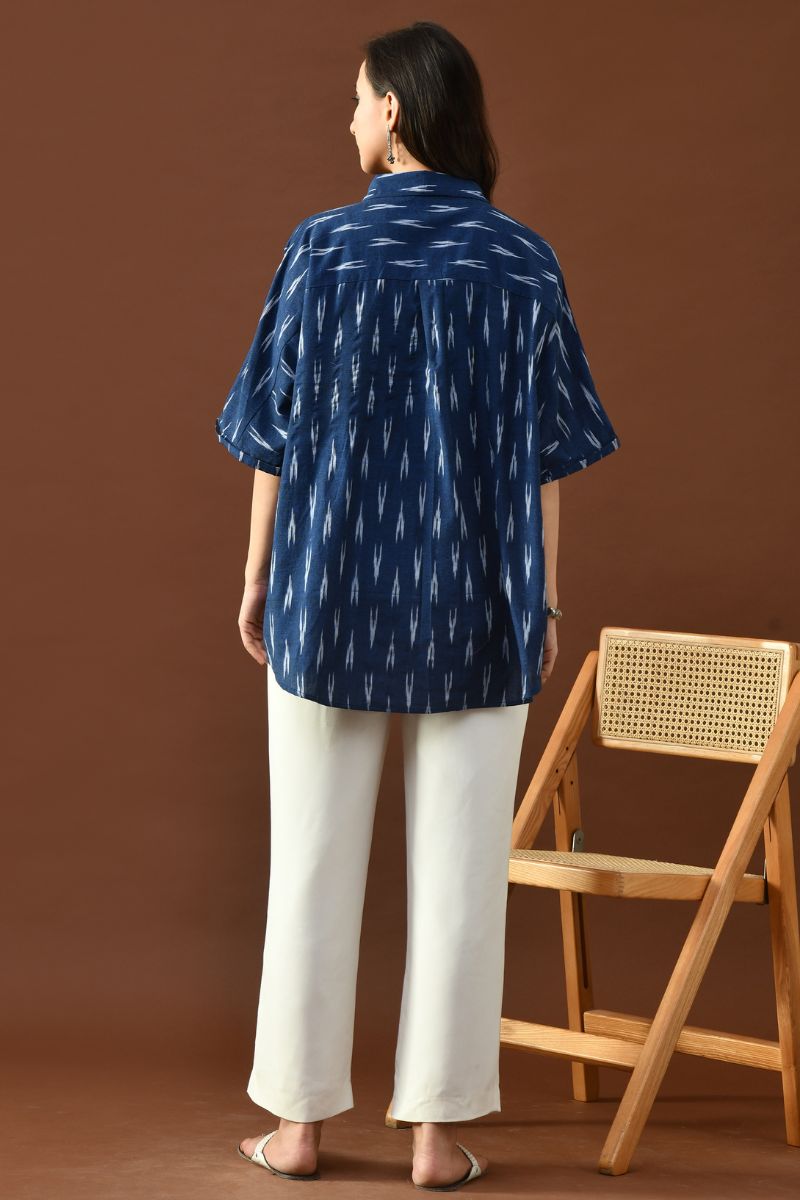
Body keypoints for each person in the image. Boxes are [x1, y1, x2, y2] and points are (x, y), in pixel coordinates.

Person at [215, 20, 621, 1191]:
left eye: (357, 100)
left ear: (393, 110)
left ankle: (297, 1129)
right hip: (476, 605)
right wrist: (545, 604)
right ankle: (436, 1141)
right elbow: (548, 456)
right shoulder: (522, 260)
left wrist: (255, 576)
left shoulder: (320, 249)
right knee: (459, 880)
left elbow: (271, 435)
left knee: (309, 865)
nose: (347, 119)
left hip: (328, 594)